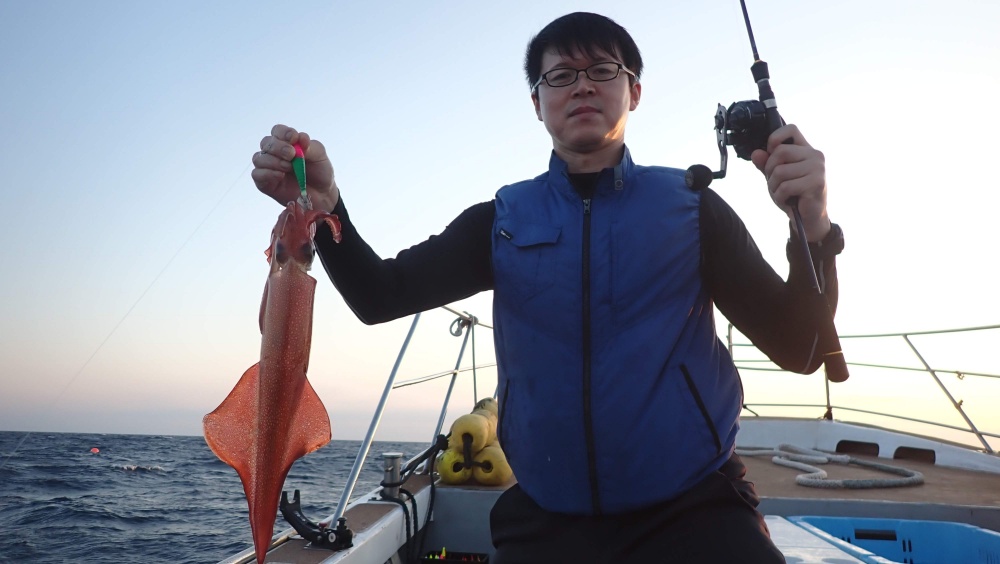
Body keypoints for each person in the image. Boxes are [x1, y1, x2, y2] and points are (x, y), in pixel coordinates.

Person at [251, 12, 842, 563]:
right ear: (537, 103)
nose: (581, 86)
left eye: (603, 70)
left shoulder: (692, 210)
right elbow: (379, 296)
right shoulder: (501, 222)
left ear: (634, 91)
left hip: (695, 510)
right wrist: (326, 206)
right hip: (546, 520)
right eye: (560, 76)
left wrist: (813, 226)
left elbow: (801, 348)